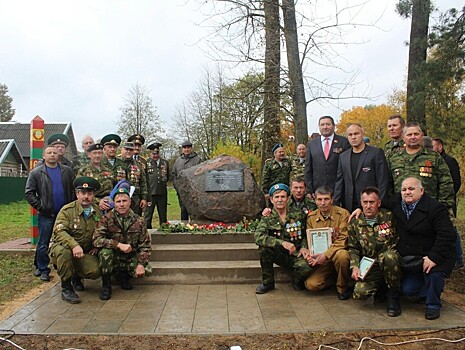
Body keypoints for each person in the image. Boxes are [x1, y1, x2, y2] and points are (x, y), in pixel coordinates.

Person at [391, 177, 456, 319]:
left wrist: (434, 257)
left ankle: (433, 304)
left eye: (411, 189)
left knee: (434, 275)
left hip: (435, 254)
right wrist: (359, 208)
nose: (407, 192)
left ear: (421, 191)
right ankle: (426, 291)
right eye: (404, 189)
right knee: (408, 290)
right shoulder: (397, 204)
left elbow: (447, 235)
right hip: (413, 258)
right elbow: (377, 202)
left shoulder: (435, 208)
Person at [348, 187, 402, 317]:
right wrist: (354, 266)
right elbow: (353, 247)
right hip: (371, 265)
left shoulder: (388, 216)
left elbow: (398, 238)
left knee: (389, 256)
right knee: (359, 293)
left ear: (379, 203)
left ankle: (393, 296)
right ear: (361, 203)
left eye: (371, 202)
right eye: (365, 202)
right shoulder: (355, 222)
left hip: (391, 263)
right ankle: (381, 287)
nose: (368, 206)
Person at [25, 146, 75, 282]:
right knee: (43, 242)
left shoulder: (67, 171)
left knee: (66, 240)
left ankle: (67, 267)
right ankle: (42, 269)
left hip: (64, 214)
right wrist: (41, 206)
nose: (52, 155)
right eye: (49, 153)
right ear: (44, 155)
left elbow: (74, 189)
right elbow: (29, 193)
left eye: (54, 153)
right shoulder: (36, 173)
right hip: (47, 214)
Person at [49, 177, 102, 304]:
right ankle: (66, 288)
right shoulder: (67, 210)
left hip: (83, 251)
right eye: (82, 193)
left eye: (89, 193)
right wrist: (74, 245)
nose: (86, 197)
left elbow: (101, 230)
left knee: (95, 271)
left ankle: (75, 275)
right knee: (64, 253)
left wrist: (97, 245)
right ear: (77, 194)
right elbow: (59, 232)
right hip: (63, 247)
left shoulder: (97, 212)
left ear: (93, 195)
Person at [93, 187, 151, 300]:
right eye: (118, 202)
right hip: (113, 257)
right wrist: (117, 245)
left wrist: (140, 264)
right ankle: (106, 285)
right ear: (114, 203)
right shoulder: (106, 219)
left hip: (129, 256)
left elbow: (145, 245)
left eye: (124, 201)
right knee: (105, 253)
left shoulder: (139, 221)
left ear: (130, 202)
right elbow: (96, 239)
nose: (121, 204)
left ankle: (124, 277)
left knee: (147, 270)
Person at [254, 183, 312, 294]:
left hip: (295, 253)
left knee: (306, 267)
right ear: (271, 200)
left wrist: (304, 247)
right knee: (263, 249)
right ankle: (268, 283)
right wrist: (281, 243)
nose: (280, 200)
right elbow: (258, 236)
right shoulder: (268, 217)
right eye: (276, 197)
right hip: (278, 253)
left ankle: (297, 281)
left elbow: (306, 233)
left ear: (288, 199)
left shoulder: (298, 215)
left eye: (283, 196)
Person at [388, 122, 455, 211]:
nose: (413, 137)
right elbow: (388, 184)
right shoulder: (393, 158)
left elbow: (446, 182)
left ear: (422, 136)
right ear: (403, 137)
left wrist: (442, 205)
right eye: (409, 134)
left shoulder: (434, 157)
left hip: (429, 209)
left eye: (416, 134)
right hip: (402, 210)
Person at [304, 186, 351, 300]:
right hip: (321, 259)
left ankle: (342, 288)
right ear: (315, 200)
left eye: (326, 199)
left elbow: (343, 239)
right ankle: (333, 279)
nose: (323, 203)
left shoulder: (342, 214)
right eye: (319, 199)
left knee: (342, 255)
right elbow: (310, 241)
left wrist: (326, 254)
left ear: (332, 200)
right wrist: (310, 255)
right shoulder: (311, 217)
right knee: (311, 285)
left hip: (336, 254)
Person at [334, 123, 389, 212]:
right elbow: (340, 182)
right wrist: (335, 203)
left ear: (362, 134)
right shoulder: (343, 156)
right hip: (349, 206)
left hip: (370, 206)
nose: (353, 137)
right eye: (350, 135)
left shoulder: (375, 153)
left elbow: (383, 181)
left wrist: (379, 203)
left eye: (356, 134)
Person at [432, 138, 463, 269]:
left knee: (451, 229)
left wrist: (445, 200)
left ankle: (458, 258)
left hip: (446, 203)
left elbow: (455, 182)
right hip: (436, 202)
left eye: (433, 146)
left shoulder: (449, 161)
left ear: (440, 146)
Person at [305, 116, 350, 196]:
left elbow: (347, 167)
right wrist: (309, 190)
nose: (325, 127)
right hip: (318, 189)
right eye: (322, 125)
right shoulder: (311, 144)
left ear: (333, 126)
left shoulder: (344, 142)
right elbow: (308, 168)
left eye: (328, 124)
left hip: (339, 189)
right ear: (319, 126)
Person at [77, 143, 116, 211]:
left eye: (100, 153)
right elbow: (79, 191)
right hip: (92, 205)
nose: (97, 156)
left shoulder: (109, 169)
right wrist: (98, 201)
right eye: (94, 153)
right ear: (89, 155)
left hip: (110, 205)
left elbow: (115, 186)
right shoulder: (83, 171)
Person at [172, 140, 202, 220]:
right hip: (181, 191)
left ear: (191, 149)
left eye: (188, 147)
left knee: (194, 211)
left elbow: (201, 175)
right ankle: (184, 228)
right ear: (182, 149)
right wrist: (177, 187)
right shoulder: (178, 161)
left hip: (194, 192)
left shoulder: (197, 159)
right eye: (185, 148)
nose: (186, 149)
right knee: (183, 210)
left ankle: (195, 228)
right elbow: (174, 175)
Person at [120, 141, 149, 216]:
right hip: (120, 199)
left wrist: (144, 198)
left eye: (131, 150)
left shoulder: (138, 165)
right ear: (121, 150)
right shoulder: (117, 163)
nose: (128, 152)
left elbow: (143, 183)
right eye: (126, 149)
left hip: (135, 200)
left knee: (135, 222)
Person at [145, 142, 170, 228]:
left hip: (162, 193)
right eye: (153, 153)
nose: (155, 155)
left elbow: (168, 176)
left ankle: (163, 234)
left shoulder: (165, 163)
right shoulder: (146, 163)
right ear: (150, 153)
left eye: (157, 153)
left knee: (163, 216)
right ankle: (147, 234)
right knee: (148, 216)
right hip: (150, 193)